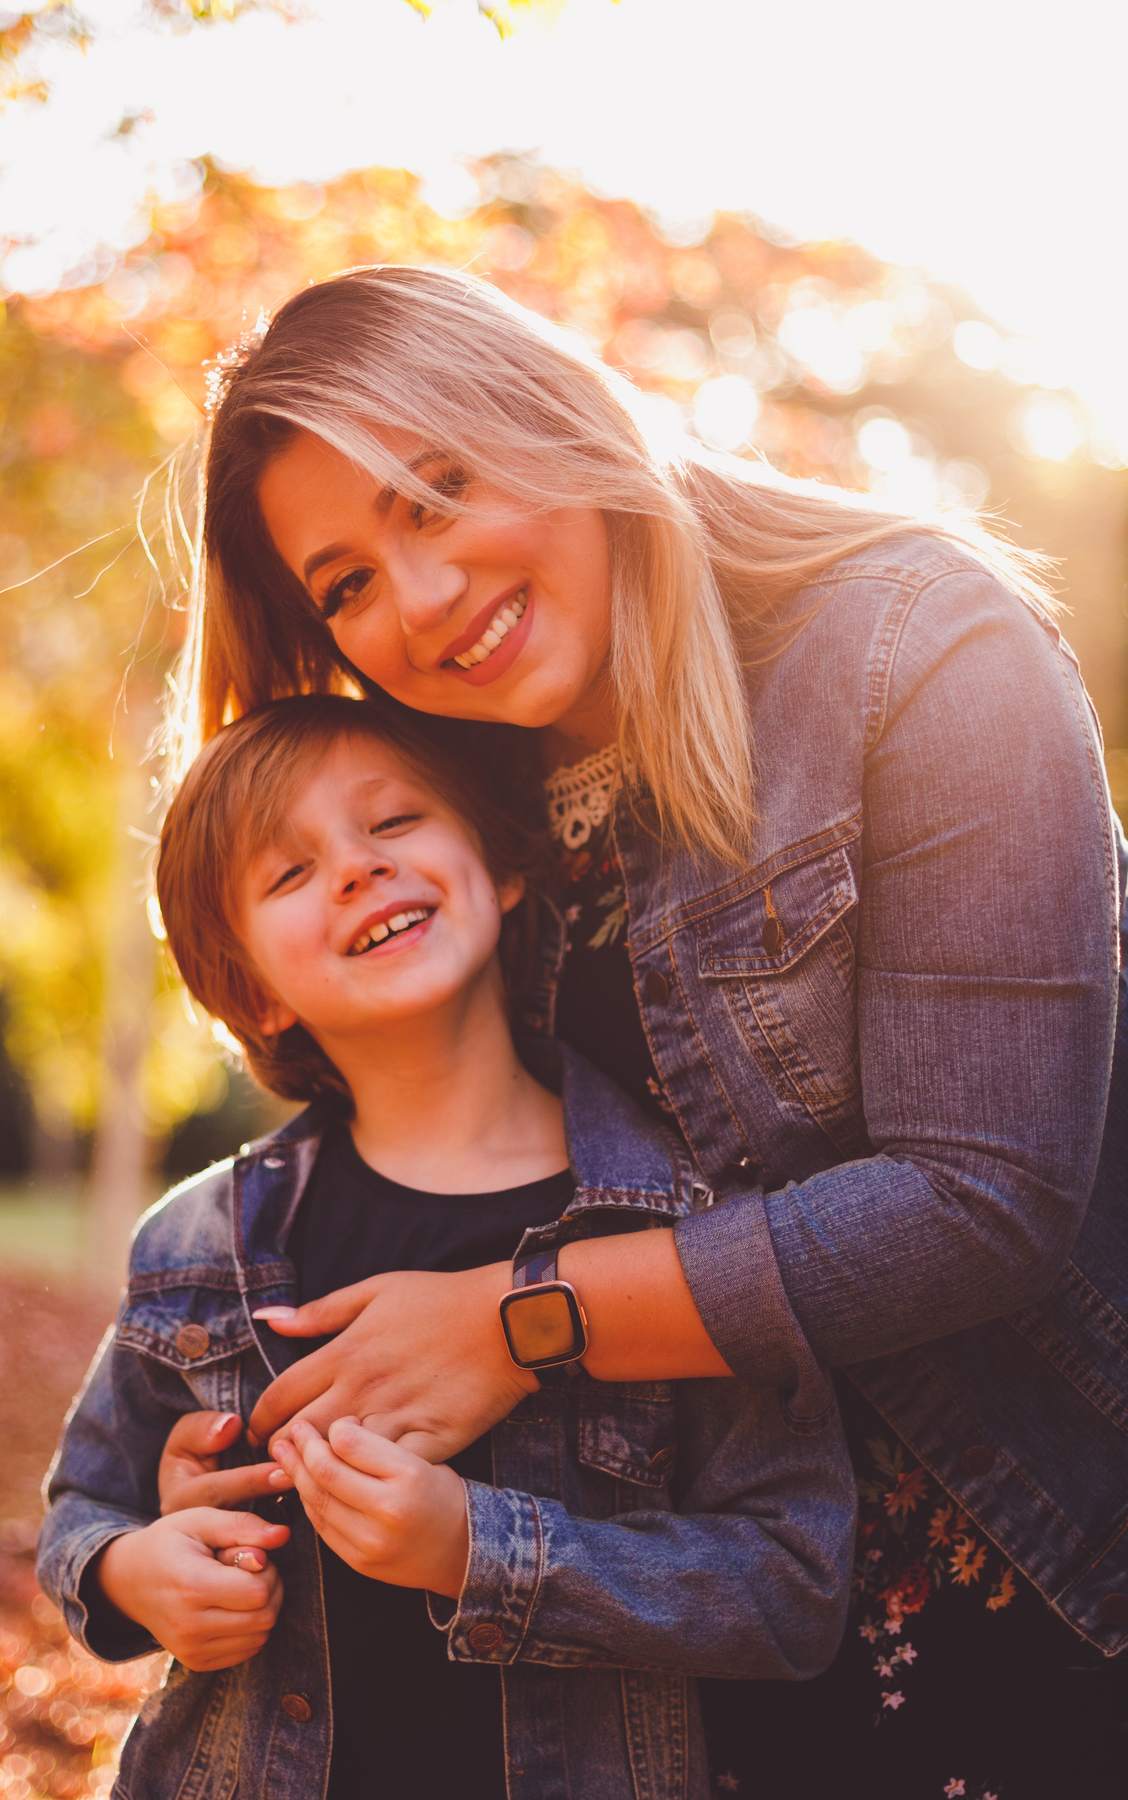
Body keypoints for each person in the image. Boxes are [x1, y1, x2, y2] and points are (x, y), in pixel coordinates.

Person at [172, 265, 1127, 1798]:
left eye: (439, 493)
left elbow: (984, 1198)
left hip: (1043, 1555)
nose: (415, 604)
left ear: (555, 417)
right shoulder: (472, 812)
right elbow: (424, 1157)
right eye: (344, 581)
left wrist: (520, 1319)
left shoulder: (921, 653)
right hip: (694, 1641)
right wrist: (229, 1464)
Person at [36, 694, 857, 1800]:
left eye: (395, 823)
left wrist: (481, 1550)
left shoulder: (679, 1224)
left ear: (502, 866)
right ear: (248, 992)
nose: (356, 870)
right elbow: (87, 1506)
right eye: (289, 873)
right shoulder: (199, 1244)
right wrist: (136, 1574)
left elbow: (789, 1588)